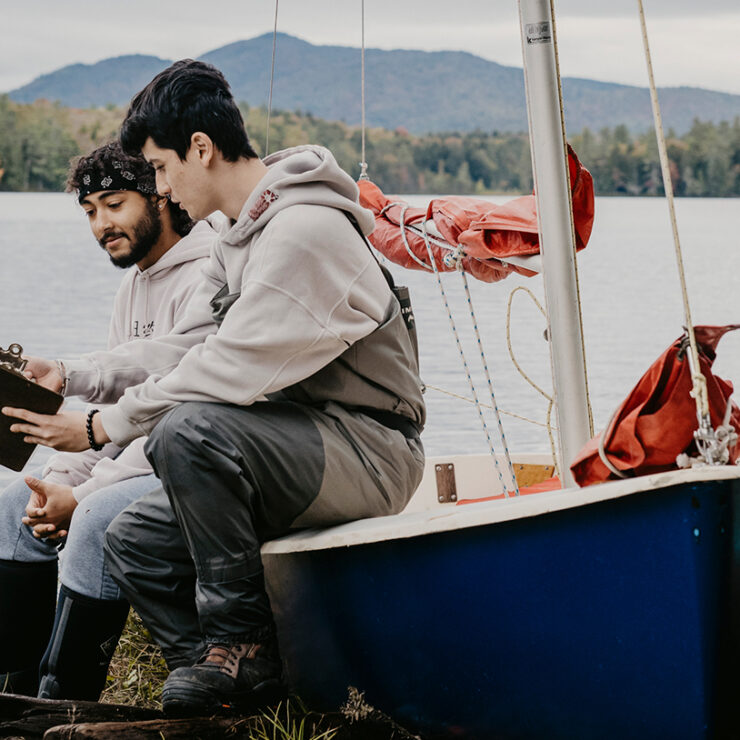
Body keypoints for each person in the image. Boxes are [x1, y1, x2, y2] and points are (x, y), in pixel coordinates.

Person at [4, 59, 425, 715]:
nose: (163, 189)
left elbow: (223, 368)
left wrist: (98, 428)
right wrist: (71, 375)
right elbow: (181, 347)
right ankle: (231, 689)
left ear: (200, 148)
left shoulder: (303, 231)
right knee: (132, 539)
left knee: (187, 429)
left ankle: (241, 650)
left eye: (163, 169)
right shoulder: (239, 236)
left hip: (368, 449)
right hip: (291, 447)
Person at [0, 140, 216, 700]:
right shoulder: (133, 286)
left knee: (95, 516)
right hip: (135, 453)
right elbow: (117, 411)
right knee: (9, 503)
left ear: (160, 196)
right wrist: (59, 482)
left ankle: (63, 699)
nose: (101, 225)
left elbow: (179, 416)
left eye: (114, 204)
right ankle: (13, 690)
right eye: (90, 211)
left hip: (194, 458)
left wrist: (86, 491)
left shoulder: (208, 275)